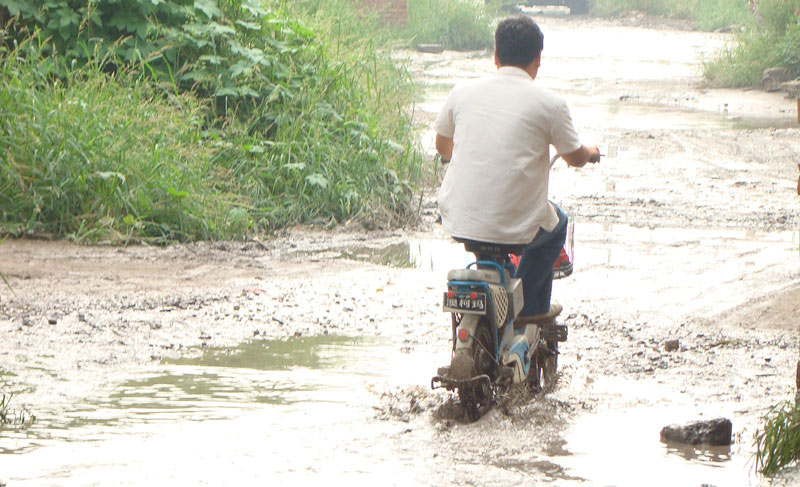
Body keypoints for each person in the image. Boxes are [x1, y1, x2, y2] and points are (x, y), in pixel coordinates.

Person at [433, 14, 600, 321]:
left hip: (458, 217)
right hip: (516, 224)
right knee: (557, 224)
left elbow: (443, 147)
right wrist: (590, 151)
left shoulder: (461, 93)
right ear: (538, 60)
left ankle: (501, 300)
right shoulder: (550, 104)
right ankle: (527, 309)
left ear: (496, 56)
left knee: (490, 238)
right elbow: (574, 157)